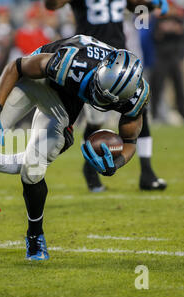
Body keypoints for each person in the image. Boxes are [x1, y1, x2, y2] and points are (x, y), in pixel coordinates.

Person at [0, 35, 150, 261]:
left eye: (107, 99)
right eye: (99, 90)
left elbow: (130, 142)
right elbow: (15, 67)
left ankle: (35, 235)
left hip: (64, 103)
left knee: (33, 170)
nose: (99, 98)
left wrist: (115, 164)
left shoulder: (136, 96)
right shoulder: (73, 62)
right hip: (37, 79)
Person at [44, 0, 168, 192]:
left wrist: (150, 5)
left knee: (139, 108)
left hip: (120, 57)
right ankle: (91, 171)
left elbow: (134, 6)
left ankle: (147, 172)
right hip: (93, 60)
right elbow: (52, 6)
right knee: (96, 120)